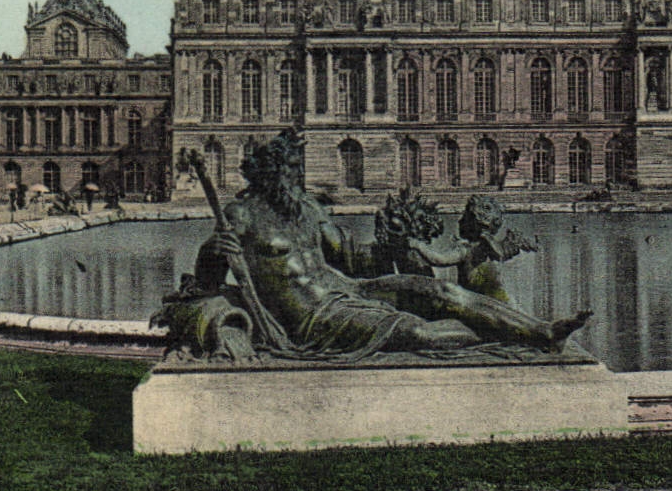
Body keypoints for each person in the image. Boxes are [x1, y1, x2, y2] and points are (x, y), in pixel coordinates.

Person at [185, 129, 588, 360]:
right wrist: (215, 254)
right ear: (271, 173)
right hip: (314, 319)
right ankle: (504, 338)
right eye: (291, 170)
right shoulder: (240, 217)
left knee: (440, 290)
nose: (298, 177)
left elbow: (350, 259)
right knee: (419, 333)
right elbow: (208, 279)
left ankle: (541, 332)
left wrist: (398, 244)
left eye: (298, 170)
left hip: (348, 291)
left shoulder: (307, 208)